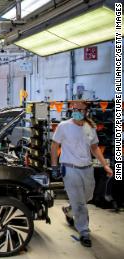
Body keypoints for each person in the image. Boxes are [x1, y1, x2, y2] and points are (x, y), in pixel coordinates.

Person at [51, 100, 113, 248]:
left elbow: (95, 148)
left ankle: (69, 210)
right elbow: (54, 145)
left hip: (87, 168)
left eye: (80, 109)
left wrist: (105, 165)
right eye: (74, 108)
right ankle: (84, 231)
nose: (76, 110)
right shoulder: (63, 126)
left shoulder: (90, 127)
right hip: (70, 168)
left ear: (86, 111)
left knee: (87, 198)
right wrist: (54, 165)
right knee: (80, 203)